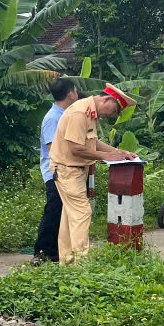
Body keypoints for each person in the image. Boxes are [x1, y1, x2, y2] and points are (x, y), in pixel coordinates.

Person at [49, 84, 137, 263]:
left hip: (75, 171)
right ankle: (82, 263)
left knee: (69, 217)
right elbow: (76, 148)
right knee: (82, 213)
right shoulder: (79, 113)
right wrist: (107, 156)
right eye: (114, 110)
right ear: (106, 99)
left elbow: (93, 142)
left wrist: (120, 153)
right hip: (68, 170)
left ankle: (67, 262)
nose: (111, 115)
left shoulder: (90, 113)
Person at [34, 77, 79, 263]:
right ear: (70, 93)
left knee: (62, 212)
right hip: (55, 172)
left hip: (65, 172)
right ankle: (42, 251)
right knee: (54, 210)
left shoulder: (66, 115)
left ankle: (55, 251)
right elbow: (55, 149)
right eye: (75, 91)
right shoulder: (53, 118)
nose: (77, 94)